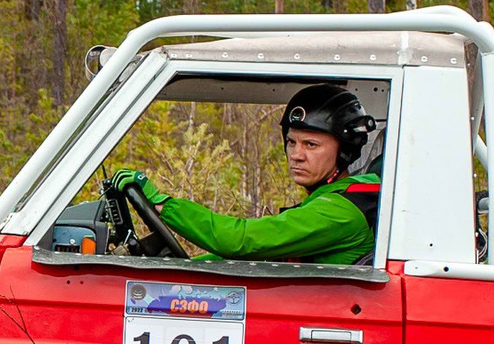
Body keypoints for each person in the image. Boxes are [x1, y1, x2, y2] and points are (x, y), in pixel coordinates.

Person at [112, 83, 382, 265]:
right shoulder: (330, 200)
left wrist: (164, 205)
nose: (296, 155)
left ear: (344, 150)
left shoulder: (339, 210)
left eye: (311, 145)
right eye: (291, 142)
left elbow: (240, 241)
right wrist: (191, 267)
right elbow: (249, 256)